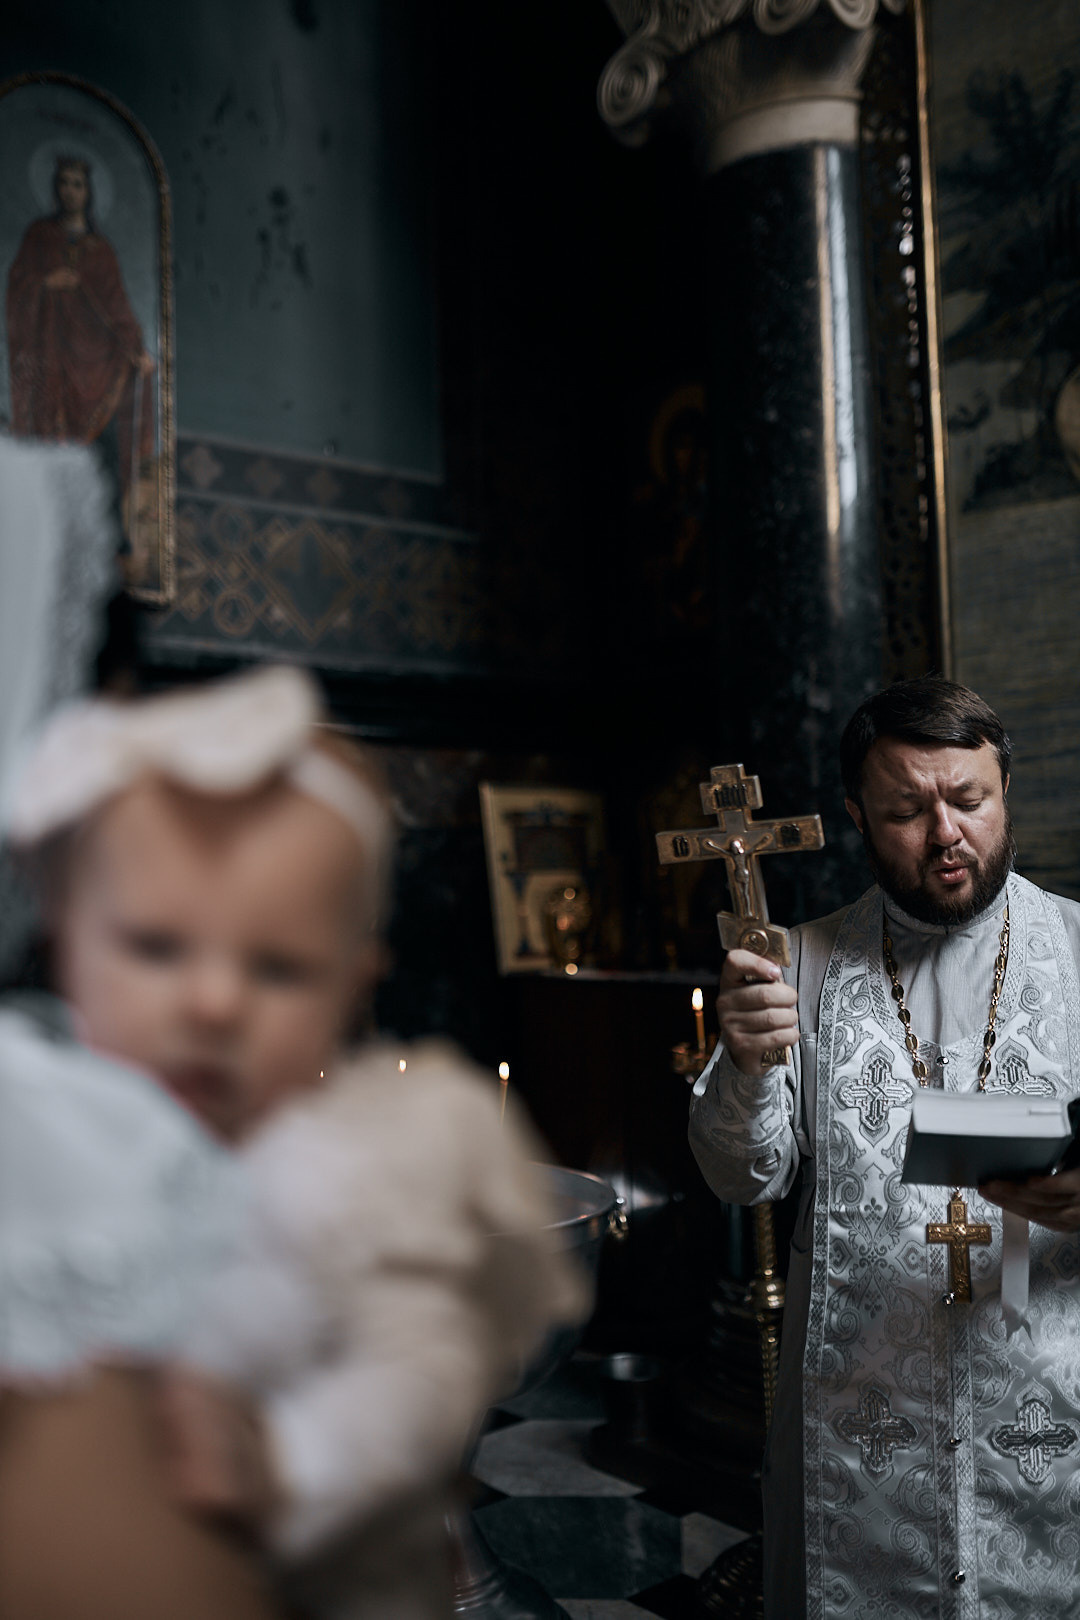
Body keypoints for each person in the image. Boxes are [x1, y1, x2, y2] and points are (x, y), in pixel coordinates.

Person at [0, 664, 586, 1620]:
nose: (214, 1002)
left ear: (354, 985)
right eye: (153, 947)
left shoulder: (373, 1155)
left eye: (278, 969)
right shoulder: (44, 1108)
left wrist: (292, 1461)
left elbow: (423, 1371)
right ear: (69, 940)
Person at [689, 677, 1080, 1619]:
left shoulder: (1079, 950)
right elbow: (744, 1177)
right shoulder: (801, 962)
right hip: (859, 1423)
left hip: (1050, 1413)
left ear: (1005, 793)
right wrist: (745, 1063)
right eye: (908, 809)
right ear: (860, 817)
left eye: (970, 800)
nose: (945, 832)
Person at [6, 156, 155, 498]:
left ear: (88, 192)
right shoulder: (40, 236)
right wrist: (46, 283)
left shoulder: (101, 251)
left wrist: (136, 348)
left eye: (78, 184)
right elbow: (18, 285)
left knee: (98, 448)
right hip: (49, 350)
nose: (70, 191)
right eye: (64, 183)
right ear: (55, 188)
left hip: (95, 359)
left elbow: (117, 308)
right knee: (46, 440)